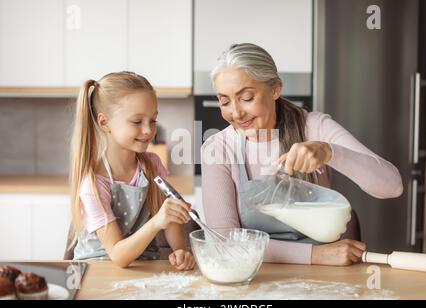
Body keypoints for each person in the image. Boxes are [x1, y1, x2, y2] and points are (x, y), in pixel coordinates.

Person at [201, 43, 403, 266]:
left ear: (275, 89)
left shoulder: (314, 127)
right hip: (256, 273)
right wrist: (315, 255)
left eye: (247, 98)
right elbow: (226, 240)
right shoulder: (218, 148)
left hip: (323, 275)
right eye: (225, 101)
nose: (236, 113)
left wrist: (329, 151)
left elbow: (392, 186)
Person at [68, 71, 195, 269]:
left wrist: (180, 250)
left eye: (153, 120)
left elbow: (169, 219)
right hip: (97, 271)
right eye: (137, 122)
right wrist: (156, 222)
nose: (148, 130)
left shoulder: (152, 165)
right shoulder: (93, 182)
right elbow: (118, 256)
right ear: (104, 122)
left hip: (141, 267)